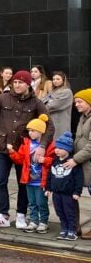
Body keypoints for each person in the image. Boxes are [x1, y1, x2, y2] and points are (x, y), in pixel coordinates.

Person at [0, 70, 55, 229]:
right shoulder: (2, 98)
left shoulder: (36, 102)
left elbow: (49, 125)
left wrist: (42, 146)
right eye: (15, 82)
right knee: (0, 181)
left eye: (21, 82)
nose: (17, 85)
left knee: (23, 182)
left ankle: (21, 215)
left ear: (28, 84)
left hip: (23, 150)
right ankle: (3, 215)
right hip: (3, 148)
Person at [8, 115, 54, 233]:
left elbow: (55, 161)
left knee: (41, 202)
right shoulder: (26, 144)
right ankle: (34, 221)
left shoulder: (49, 145)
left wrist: (45, 160)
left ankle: (43, 222)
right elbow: (20, 160)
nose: (30, 133)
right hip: (28, 180)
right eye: (29, 131)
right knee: (32, 203)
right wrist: (12, 152)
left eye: (33, 131)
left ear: (41, 131)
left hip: (41, 181)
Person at [46, 132, 83, 241]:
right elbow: (50, 175)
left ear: (68, 149)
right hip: (56, 193)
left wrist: (77, 192)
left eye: (60, 148)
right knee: (60, 212)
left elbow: (78, 178)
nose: (57, 150)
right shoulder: (54, 161)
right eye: (56, 147)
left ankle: (72, 230)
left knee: (70, 212)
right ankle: (64, 228)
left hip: (68, 194)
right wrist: (48, 188)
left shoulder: (72, 162)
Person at [66, 88, 91, 239]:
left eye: (80, 101)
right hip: (83, 163)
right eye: (75, 102)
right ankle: (74, 227)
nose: (76, 104)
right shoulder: (84, 117)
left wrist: (75, 159)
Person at [43, 71, 74, 140]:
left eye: (58, 79)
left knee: (60, 145)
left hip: (60, 124)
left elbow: (53, 106)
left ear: (63, 80)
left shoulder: (67, 92)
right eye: (53, 79)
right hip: (51, 123)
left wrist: (48, 102)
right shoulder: (53, 91)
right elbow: (42, 101)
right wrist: (49, 101)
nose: (55, 81)